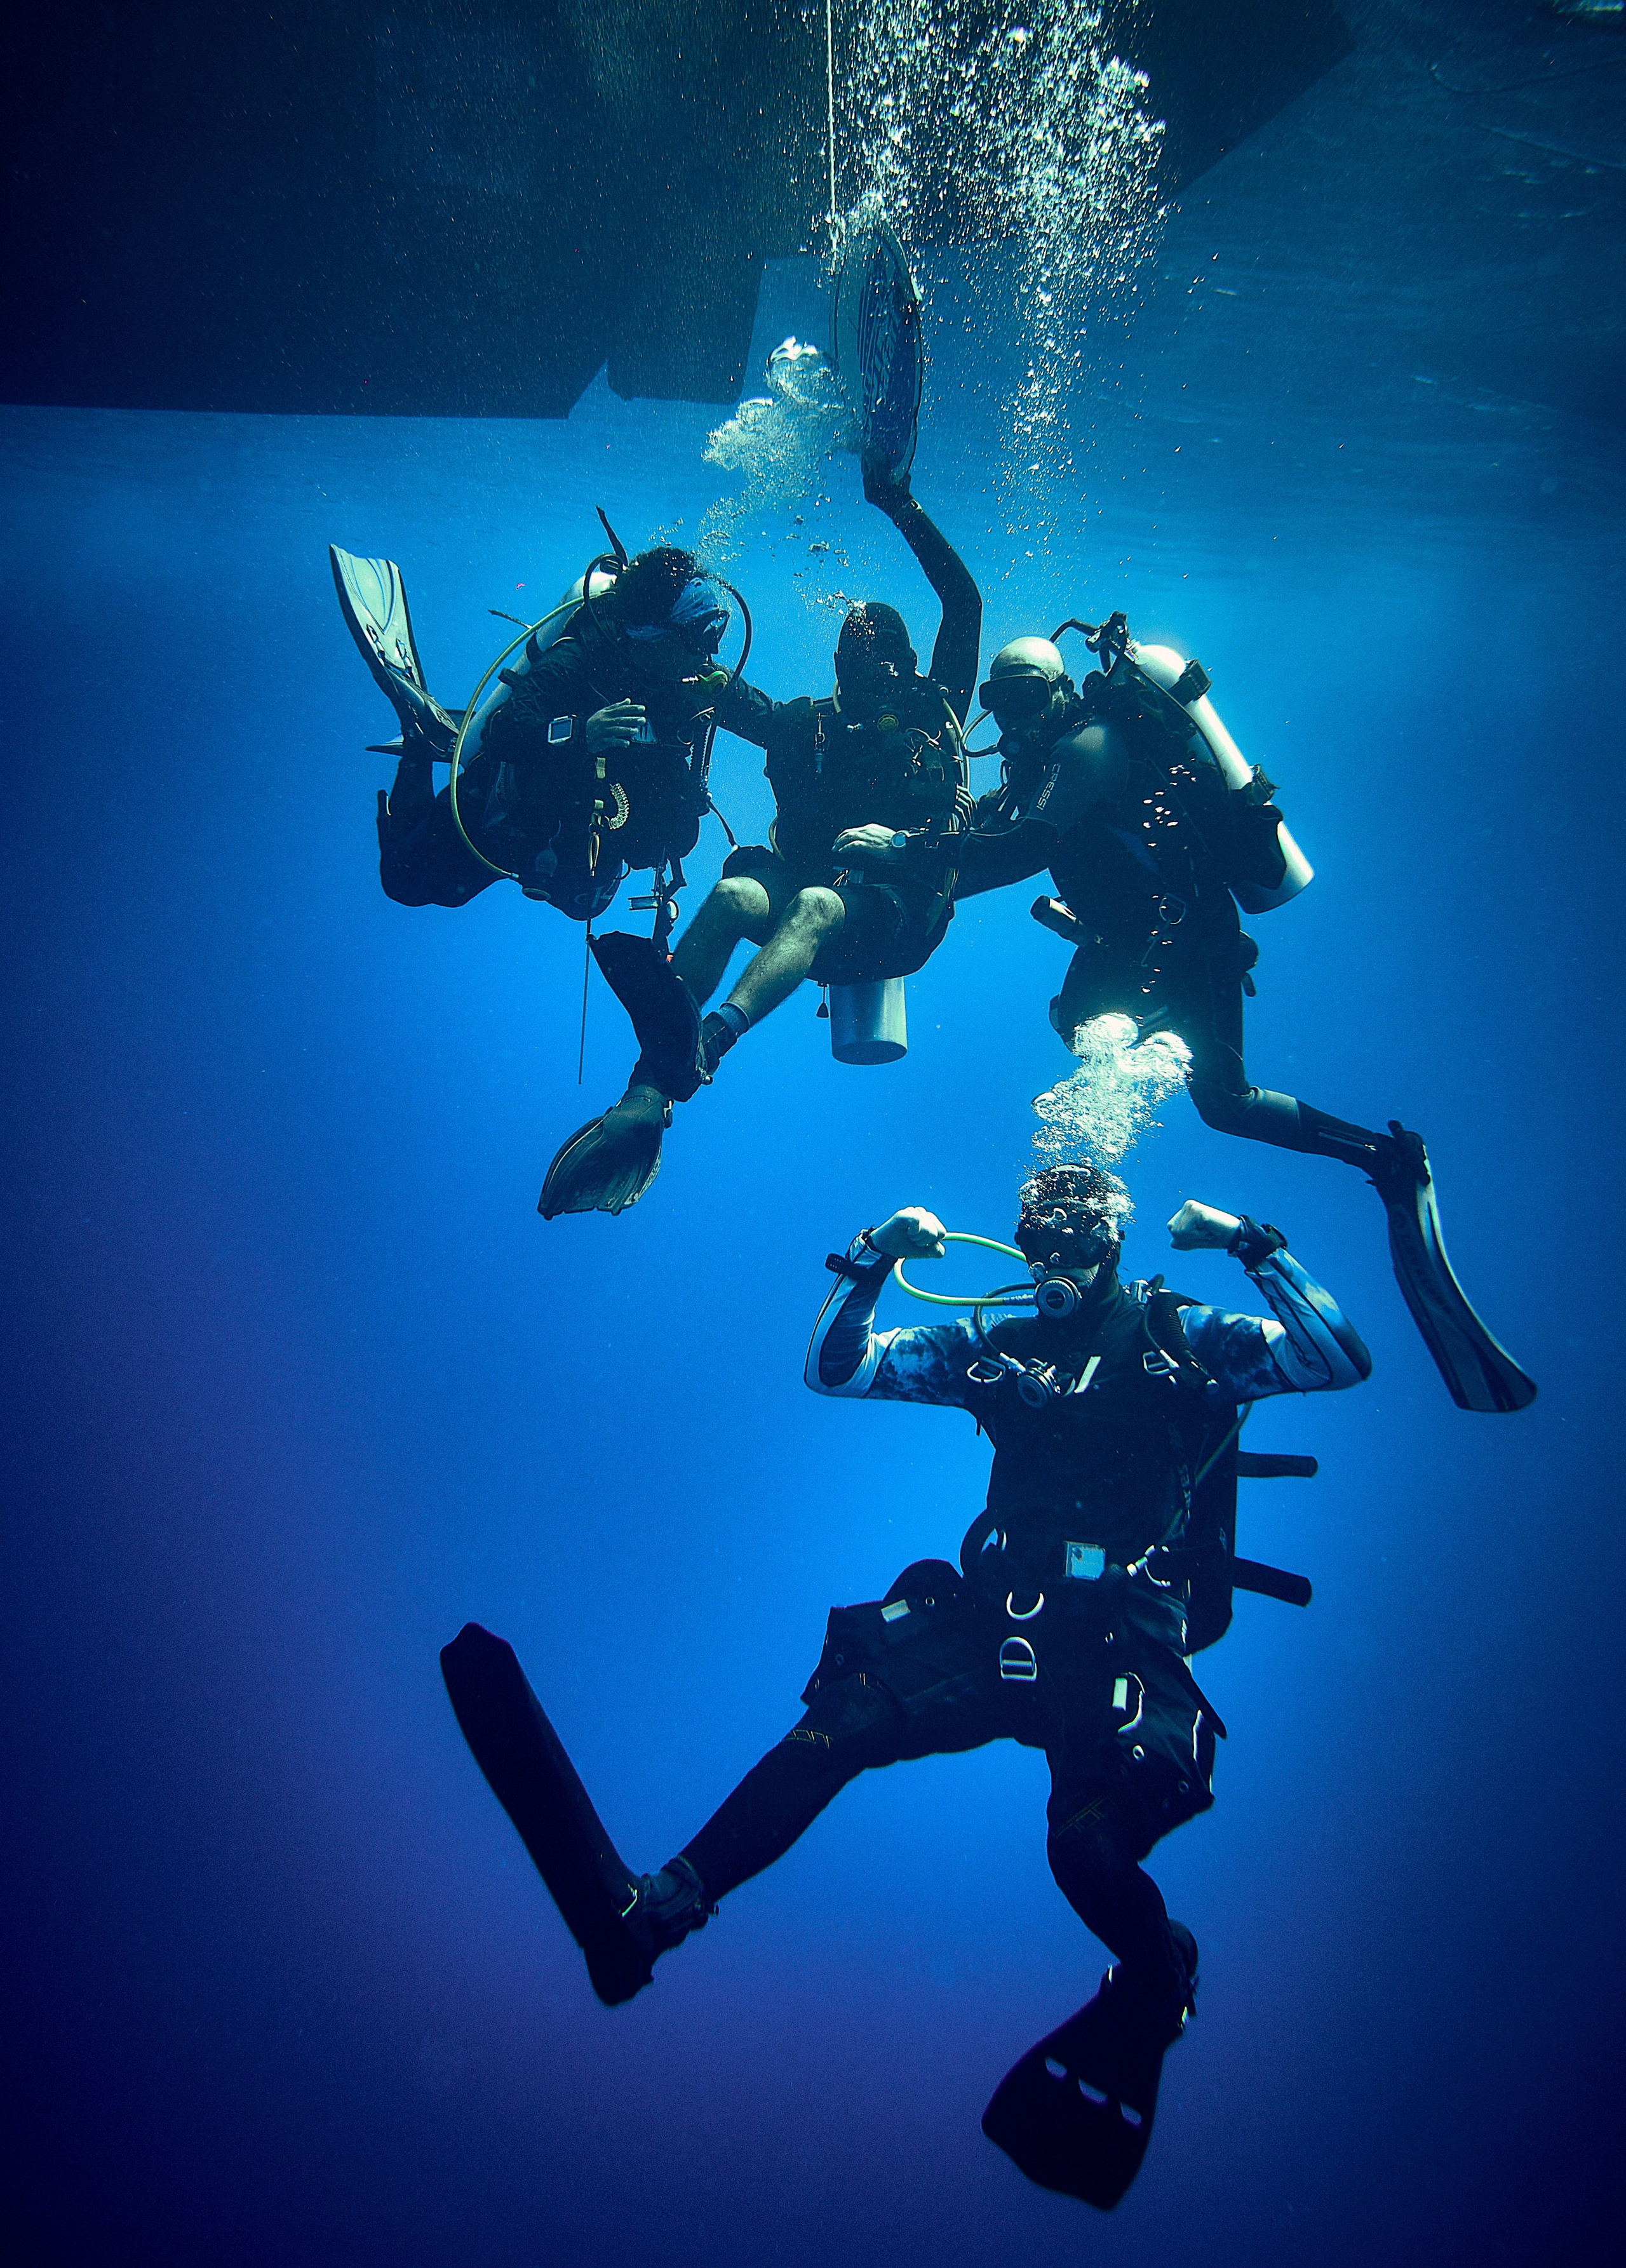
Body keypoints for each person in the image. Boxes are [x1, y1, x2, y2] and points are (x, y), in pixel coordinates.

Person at [440, 1163, 1371, 2207]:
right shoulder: (995, 1345)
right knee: (842, 1720)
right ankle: (655, 1912)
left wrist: (1250, 1241)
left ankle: (1159, 1976)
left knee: (1085, 1852)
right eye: (1039, 1234)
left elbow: (1335, 1357)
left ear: (1115, 1239)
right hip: (1002, 1618)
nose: (1055, 1253)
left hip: (1120, 1635)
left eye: (1076, 1233)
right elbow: (838, 1371)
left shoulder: (1177, 1335)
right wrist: (872, 1257)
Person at [863, 622, 1535, 1415]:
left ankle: (1389, 1160)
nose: (1011, 714)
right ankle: (1149, 1036)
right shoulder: (1036, 767)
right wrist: (905, 857)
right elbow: (988, 841)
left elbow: (1013, 854)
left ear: (1060, 691)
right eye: (997, 698)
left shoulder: (1086, 747)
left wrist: (904, 852)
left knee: (1226, 1103)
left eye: (1026, 694)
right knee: (1080, 1026)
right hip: (1125, 944)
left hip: (1191, 941)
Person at [537, 455, 983, 1218]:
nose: (870, 681)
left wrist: (900, 504)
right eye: (855, 667)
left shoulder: (934, 712)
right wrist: (641, 625)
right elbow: (712, 685)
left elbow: (963, 602)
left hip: (897, 917)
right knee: (736, 893)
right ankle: (648, 1087)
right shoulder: (804, 725)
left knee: (811, 905)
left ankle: (707, 1044)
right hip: (811, 909)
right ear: (837, 668)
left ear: (908, 667)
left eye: (884, 667)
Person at [332, 539, 741, 926]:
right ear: (655, 635)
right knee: (404, 881)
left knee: (588, 903)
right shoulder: (580, 657)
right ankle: (419, 740)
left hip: (581, 834)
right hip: (508, 818)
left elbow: (768, 719)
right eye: (699, 637)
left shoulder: (697, 681)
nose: (711, 652)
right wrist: (581, 735)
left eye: (713, 635)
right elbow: (505, 730)